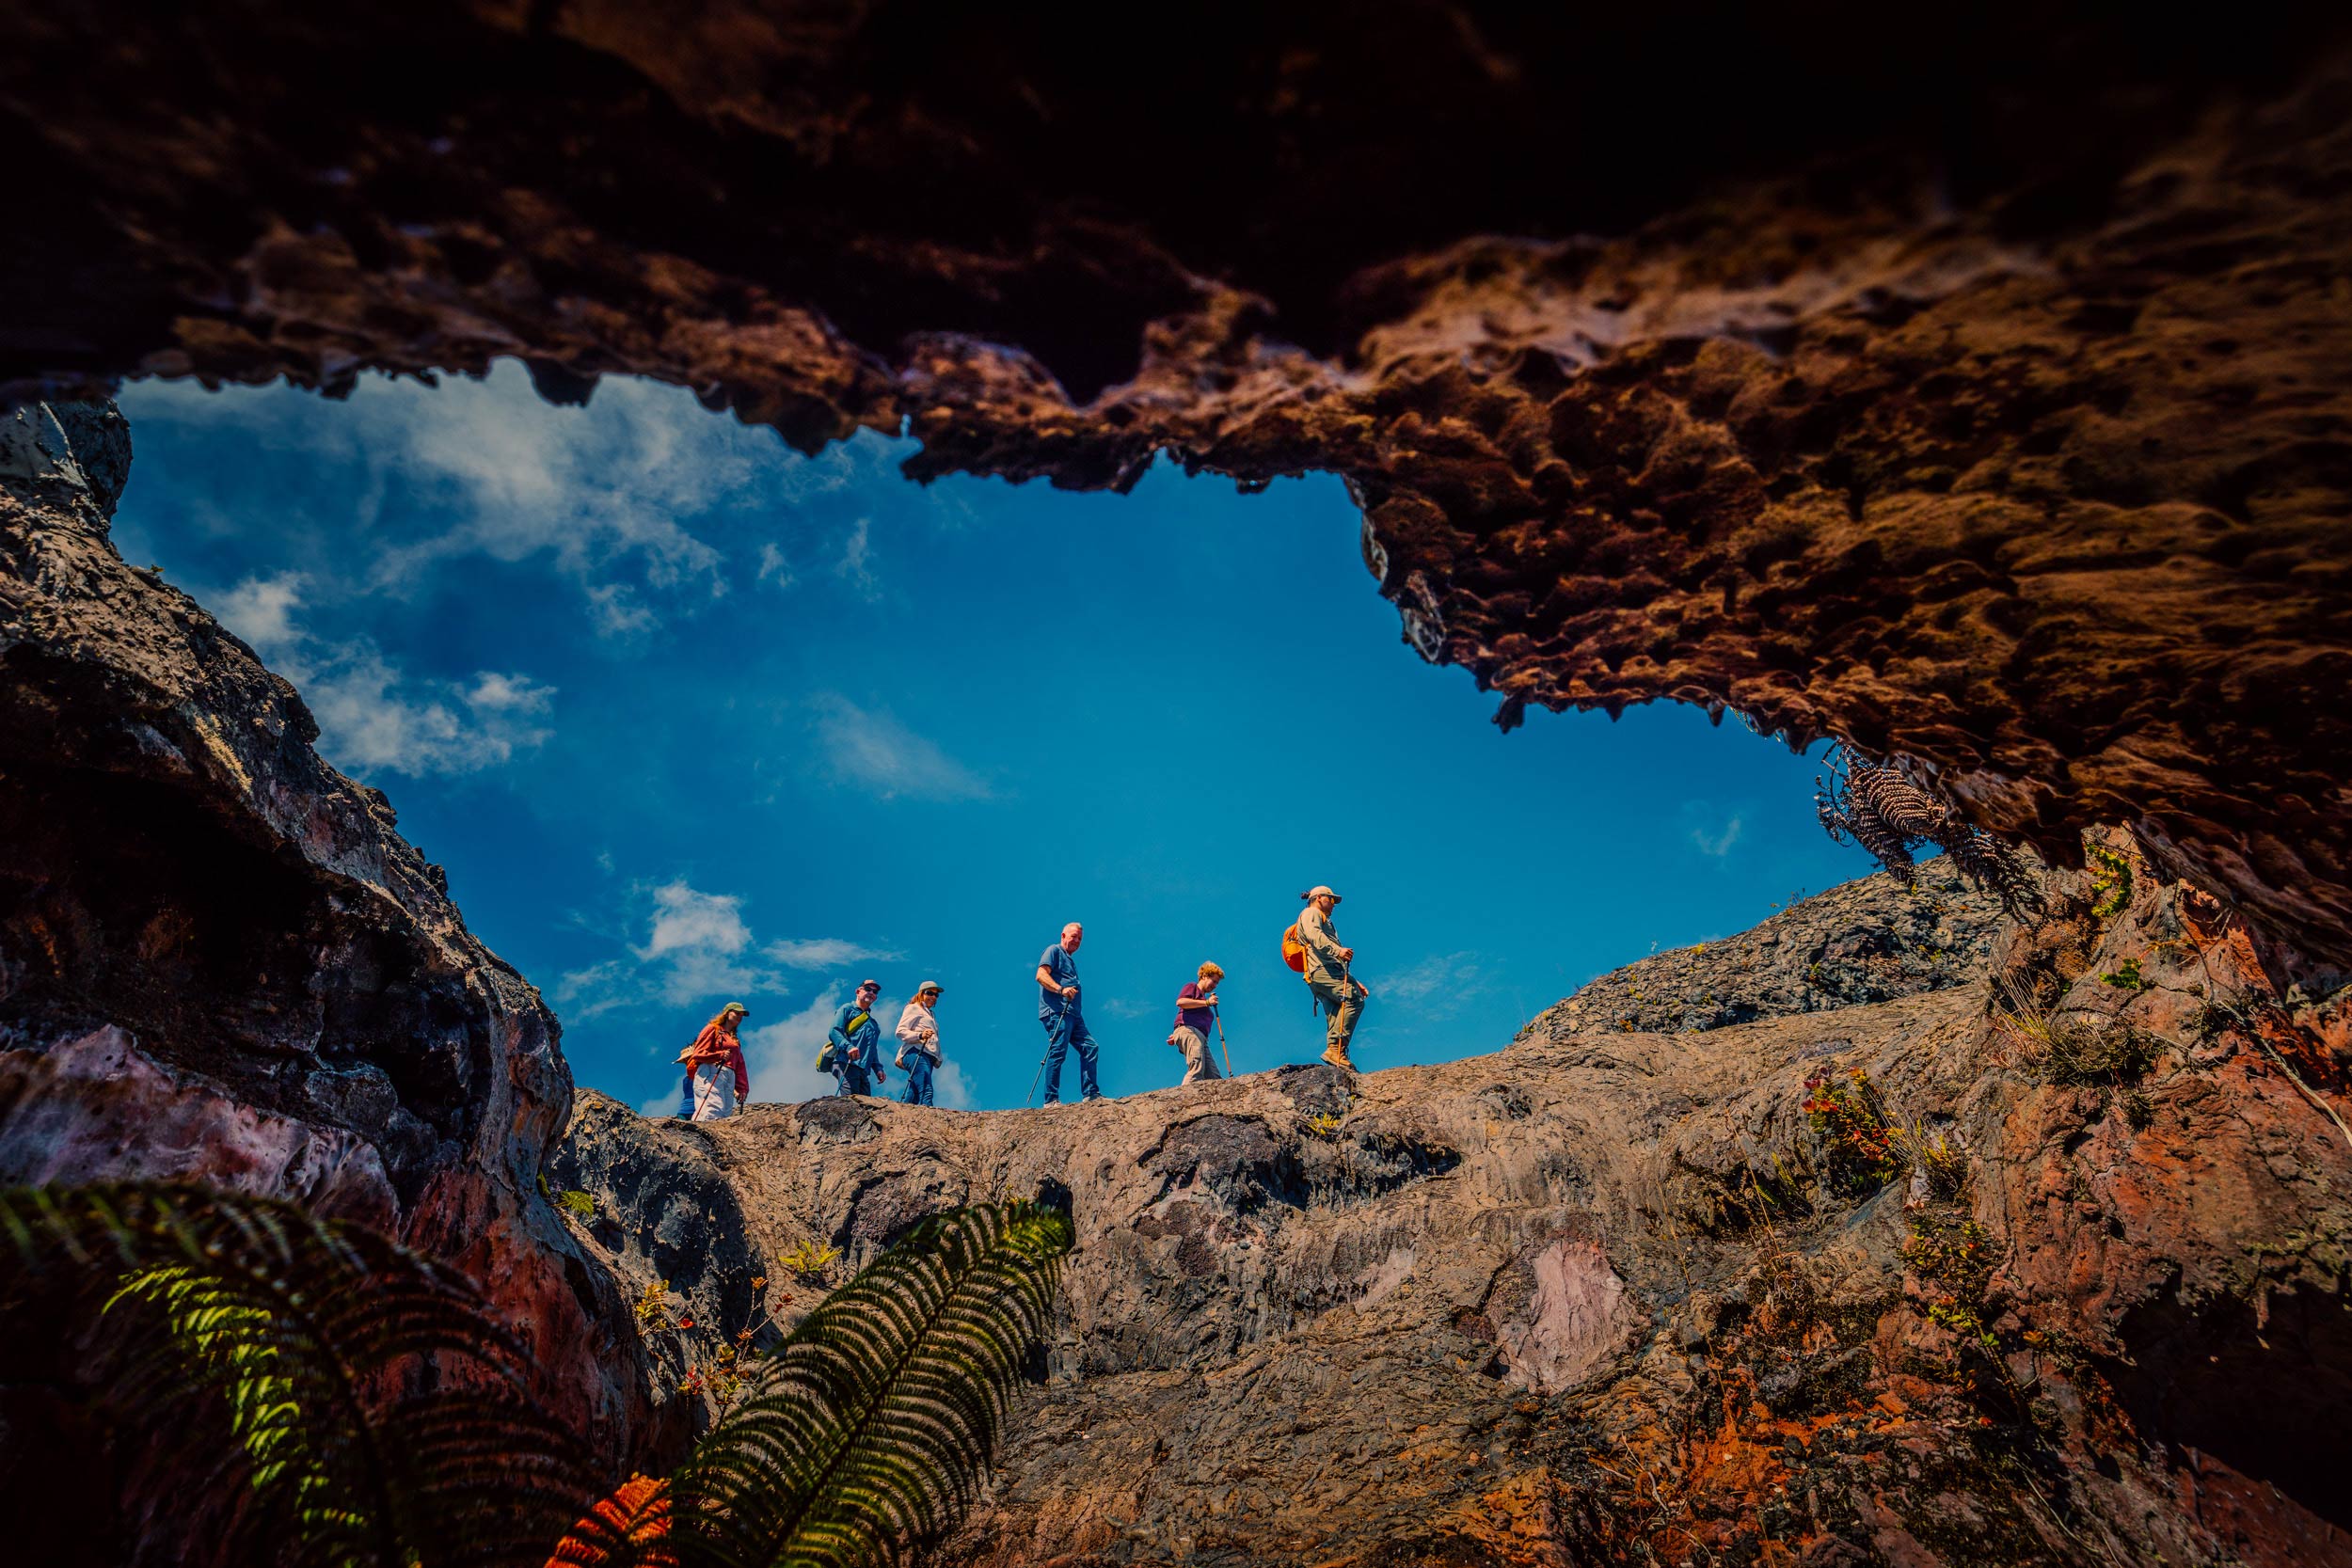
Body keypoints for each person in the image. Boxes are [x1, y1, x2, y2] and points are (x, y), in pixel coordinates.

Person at [1297, 886, 1368, 1070]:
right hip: (1323, 969)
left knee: (1337, 1011)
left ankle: (1335, 1053)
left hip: (1319, 972)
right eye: (1331, 899)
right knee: (1354, 999)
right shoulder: (1312, 913)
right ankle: (1336, 1049)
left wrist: (1352, 980)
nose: (1334, 904)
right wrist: (1338, 950)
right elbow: (1315, 936)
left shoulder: (1319, 916)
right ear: (1319, 898)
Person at [1034, 922, 1102, 1104]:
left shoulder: (1070, 960)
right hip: (1057, 1011)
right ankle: (1051, 1100)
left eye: (1080, 938)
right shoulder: (1054, 951)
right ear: (1063, 936)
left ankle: (1091, 1094)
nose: (1077, 941)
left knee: (1090, 1047)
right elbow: (1041, 975)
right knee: (1058, 1051)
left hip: (1073, 1014)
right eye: (1074, 936)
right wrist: (1060, 989)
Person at [677, 1001, 751, 1120]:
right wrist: (719, 1055)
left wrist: (743, 1088)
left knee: (725, 1111)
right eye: (737, 1013)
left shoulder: (733, 1039)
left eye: (742, 1015)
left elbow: (740, 1064)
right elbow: (698, 1053)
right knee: (712, 1107)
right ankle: (702, 1130)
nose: (740, 1017)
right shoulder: (712, 1029)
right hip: (711, 1070)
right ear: (727, 1013)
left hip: (729, 1074)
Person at [826, 979, 889, 1098]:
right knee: (852, 1101)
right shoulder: (847, 1009)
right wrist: (849, 1047)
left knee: (866, 1104)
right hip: (845, 1062)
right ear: (858, 991)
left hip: (863, 1069)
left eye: (875, 992)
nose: (871, 993)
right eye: (868, 989)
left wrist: (878, 1068)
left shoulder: (873, 1024)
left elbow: (872, 1048)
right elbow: (834, 1031)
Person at [1168, 961, 1224, 1085]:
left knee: (1214, 1076)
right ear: (1204, 976)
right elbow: (1181, 1002)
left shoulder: (1203, 1000)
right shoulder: (1192, 987)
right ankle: (1185, 1095)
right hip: (1190, 1032)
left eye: (1217, 983)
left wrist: (1177, 1033)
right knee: (1197, 1067)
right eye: (1214, 981)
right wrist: (1207, 1003)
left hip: (1200, 1038)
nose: (1215, 985)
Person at [895, 980, 945, 1106]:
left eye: (936, 995)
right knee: (926, 1088)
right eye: (930, 993)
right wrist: (920, 1035)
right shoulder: (913, 1008)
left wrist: (938, 1057)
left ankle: (904, 1112)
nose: (933, 997)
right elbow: (900, 1031)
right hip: (915, 1051)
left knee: (915, 1091)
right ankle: (929, 1114)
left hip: (928, 1055)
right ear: (921, 994)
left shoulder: (931, 1014)